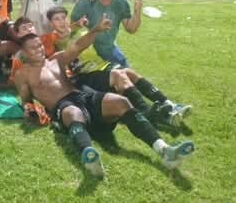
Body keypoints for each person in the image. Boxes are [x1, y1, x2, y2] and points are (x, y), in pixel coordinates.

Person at [14, 25, 195, 177]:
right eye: (33, 48)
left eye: (39, 45)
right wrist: (29, 110)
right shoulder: (23, 74)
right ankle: (89, 157)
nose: (39, 49)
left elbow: (77, 46)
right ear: (24, 52)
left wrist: (95, 30)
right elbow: (26, 100)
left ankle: (165, 151)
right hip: (63, 106)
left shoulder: (56, 59)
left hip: (82, 95)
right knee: (73, 113)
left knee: (121, 102)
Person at [45, 6, 192, 127]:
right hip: (84, 76)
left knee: (129, 72)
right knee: (119, 75)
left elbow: (75, 31)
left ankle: (169, 105)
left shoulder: (80, 31)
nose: (61, 22)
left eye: (63, 18)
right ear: (51, 24)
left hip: (102, 67)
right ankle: (147, 112)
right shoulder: (52, 42)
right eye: (56, 19)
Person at [71, 0, 141, 68]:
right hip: (87, 52)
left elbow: (131, 29)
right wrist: (78, 24)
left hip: (110, 49)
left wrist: (137, 11)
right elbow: (69, 30)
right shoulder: (85, 2)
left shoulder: (121, 2)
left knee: (130, 76)